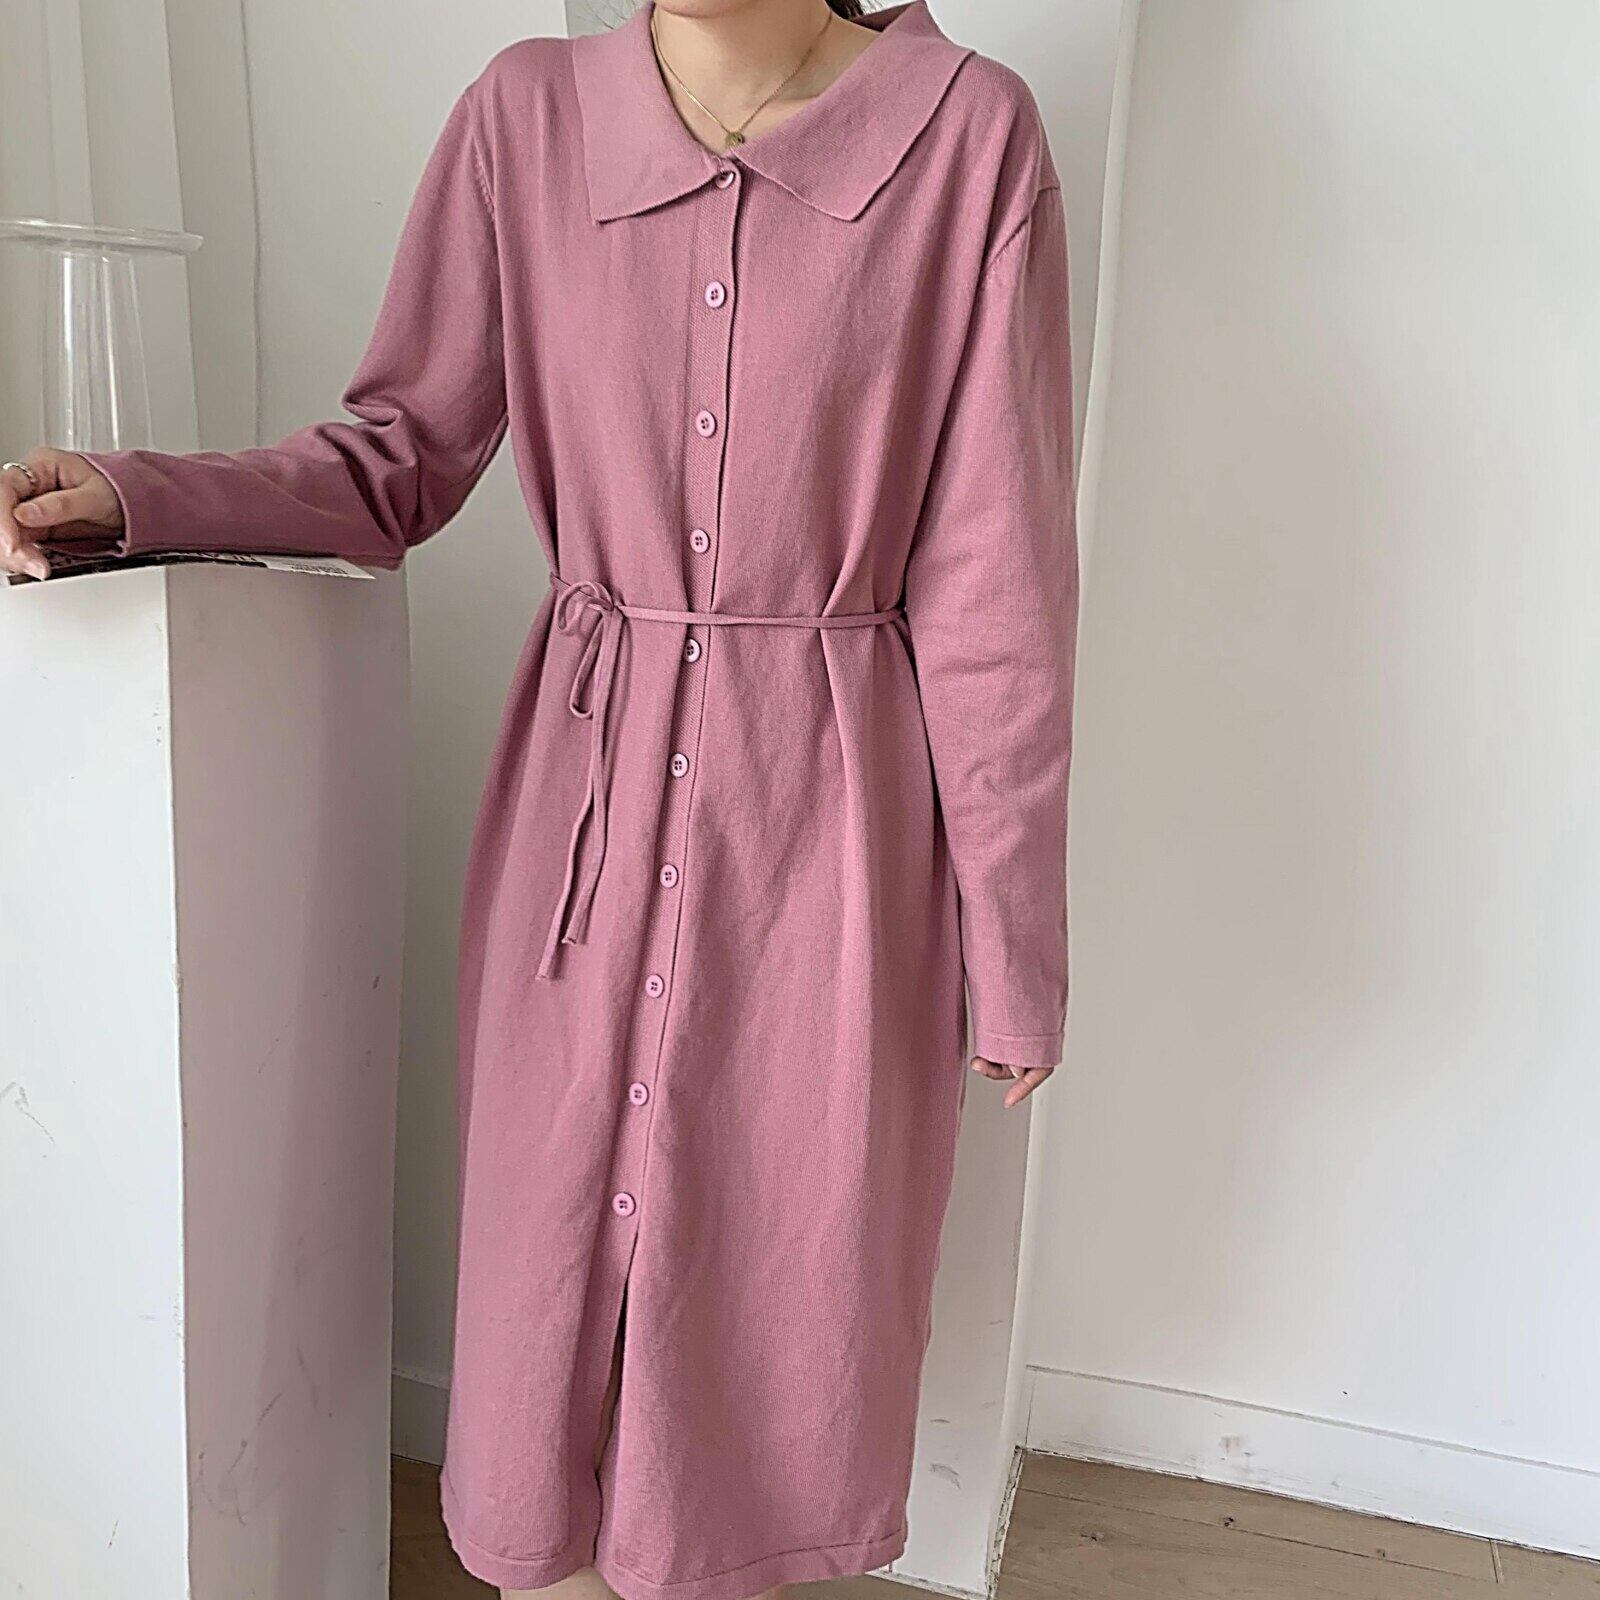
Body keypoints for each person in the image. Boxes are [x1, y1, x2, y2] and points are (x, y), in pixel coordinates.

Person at [0, 1, 1078, 1596]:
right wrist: (136, 495)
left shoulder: (970, 139)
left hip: (827, 834)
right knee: (552, 1266)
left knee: (781, 1286)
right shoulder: (526, 120)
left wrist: (1012, 939)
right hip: (584, 809)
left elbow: (997, 588)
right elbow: (394, 457)